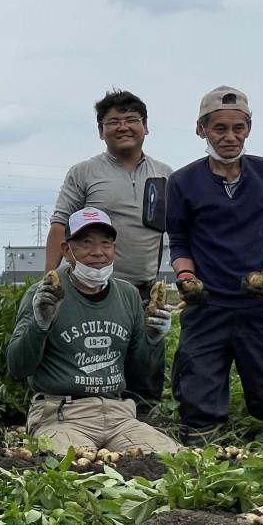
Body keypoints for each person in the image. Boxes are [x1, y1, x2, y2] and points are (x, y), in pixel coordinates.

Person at [166, 86, 263, 448]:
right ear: (201, 130)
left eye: (238, 128)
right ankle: (205, 469)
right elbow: (178, 240)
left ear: (248, 128)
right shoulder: (182, 181)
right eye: (219, 128)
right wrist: (186, 277)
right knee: (198, 398)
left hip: (261, 306)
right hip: (206, 305)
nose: (230, 137)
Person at [7, 208, 179, 455]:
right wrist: (40, 325)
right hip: (60, 414)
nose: (98, 252)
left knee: (170, 460)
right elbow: (18, 367)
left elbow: (141, 375)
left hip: (118, 413)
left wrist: (153, 340)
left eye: (105, 243)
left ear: (114, 249)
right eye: (86, 243)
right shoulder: (43, 295)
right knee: (75, 466)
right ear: (67, 251)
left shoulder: (128, 295)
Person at [45, 89, 172, 417]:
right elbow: (60, 223)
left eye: (132, 119)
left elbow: (184, 229)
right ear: (101, 131)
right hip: (95, 289)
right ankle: (90, 419)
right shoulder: (84, 172)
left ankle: (143, 423)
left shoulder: (165, 174)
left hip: (144, 288)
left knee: (147, 362)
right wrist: (48, 280)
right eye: (112, 121)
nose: (123, 127)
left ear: (146, 127)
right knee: (95, 359)